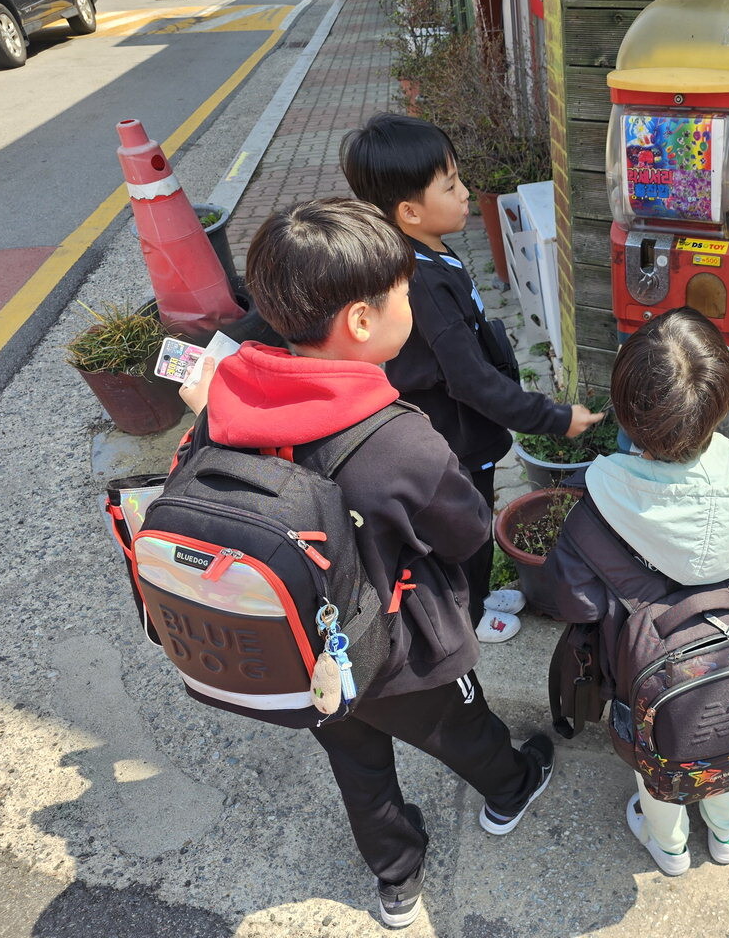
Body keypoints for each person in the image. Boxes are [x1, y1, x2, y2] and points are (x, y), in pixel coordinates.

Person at [180, 199, 554, 929]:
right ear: (360, 320)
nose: (410, 305)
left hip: (305, 650)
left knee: (357, 763)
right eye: (403, 294)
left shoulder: (225, 407)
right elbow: (466, 531)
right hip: (398, 646)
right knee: (462, 728)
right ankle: (512, 787)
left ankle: (396, 876)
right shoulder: (397, 442)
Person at [340, 112, 604, 644]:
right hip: (453, 435)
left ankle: (478, 594)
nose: (465, 194)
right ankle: (470, 614)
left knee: (477, 513)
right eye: (451, 185)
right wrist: (554, 418)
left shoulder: (431, 248)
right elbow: (471, 381)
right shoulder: (423, 285)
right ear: (409, 211)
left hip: (465, 427)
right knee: (467, 523)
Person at [546, 308, 729, 875]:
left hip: (645, 668)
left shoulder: (596, 504)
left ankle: (671, 848)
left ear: (627, 410)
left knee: (658, 756)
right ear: (722, 400)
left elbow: (577, 603)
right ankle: (726, 836)